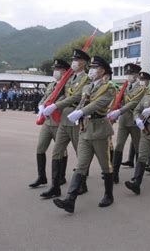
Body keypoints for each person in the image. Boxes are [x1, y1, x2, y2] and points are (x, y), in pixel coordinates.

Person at [53, 56, 116, 213]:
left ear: (103, 71)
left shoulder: (109, 87)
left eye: (95, 67)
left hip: (100, 130)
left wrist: (81, 111)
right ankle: (70, 200)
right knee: (81, 165)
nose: (92, 70)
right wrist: (76, 113)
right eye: (92, 67)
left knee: (105, 165)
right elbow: (82, 102)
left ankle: (109, 195)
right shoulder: (87, 87)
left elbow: (99, 104)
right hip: (85, 129)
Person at [40, 49, 90, 199]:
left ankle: (82, 184)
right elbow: (60, 93)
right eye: (73, 59)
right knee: (57, 152)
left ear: (83, 63)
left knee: (80, 153)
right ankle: (55, 186)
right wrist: (46, 103)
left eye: (77, 59)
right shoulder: (69, 78)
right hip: (63, 120)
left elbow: (75, 97)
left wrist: (56, 106)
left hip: (74, 120)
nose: (74, 62)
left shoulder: (86, 80)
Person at [29, 59, 70, 188]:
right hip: (48, 122)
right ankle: (41, 177)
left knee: (61, 151)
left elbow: (66, 99)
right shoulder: (52, 85)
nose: (55, 71)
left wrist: (53, 106)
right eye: (55, 69)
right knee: (40, 148)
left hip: (59, 122)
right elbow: (44, 97)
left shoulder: (67, 86)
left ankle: (61, 177)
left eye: (58, 69)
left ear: (64, 71)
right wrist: (40, 105)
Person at [107, 63, 146, 184]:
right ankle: (115, 174)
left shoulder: (141, 88)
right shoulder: (124, 87)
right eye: (127, 73)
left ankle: (137, 177)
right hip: (124, 121)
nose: (128, 76)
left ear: (136, 75)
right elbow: (119, 101)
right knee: (119, 146)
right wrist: (113, 111)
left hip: (135, 121)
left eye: (131, 73)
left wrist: (119, 111)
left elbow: (133, 103)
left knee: (138, 147)